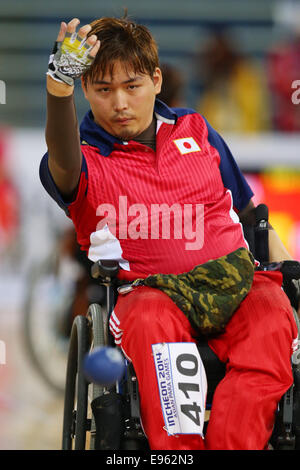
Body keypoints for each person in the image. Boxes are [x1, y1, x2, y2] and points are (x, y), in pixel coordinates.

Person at [40, 15, 298, 450]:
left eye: (132, 86)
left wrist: (290, 270)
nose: (119, 102)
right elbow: (62, 160)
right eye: (104, 90)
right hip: (151, 295)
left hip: (235, 281)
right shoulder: (81, 159)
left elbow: (252, 212)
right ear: (86, 90)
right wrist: (58, 89)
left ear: (156, 80)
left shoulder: (197, 131)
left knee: (272, 310)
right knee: (148, 320)